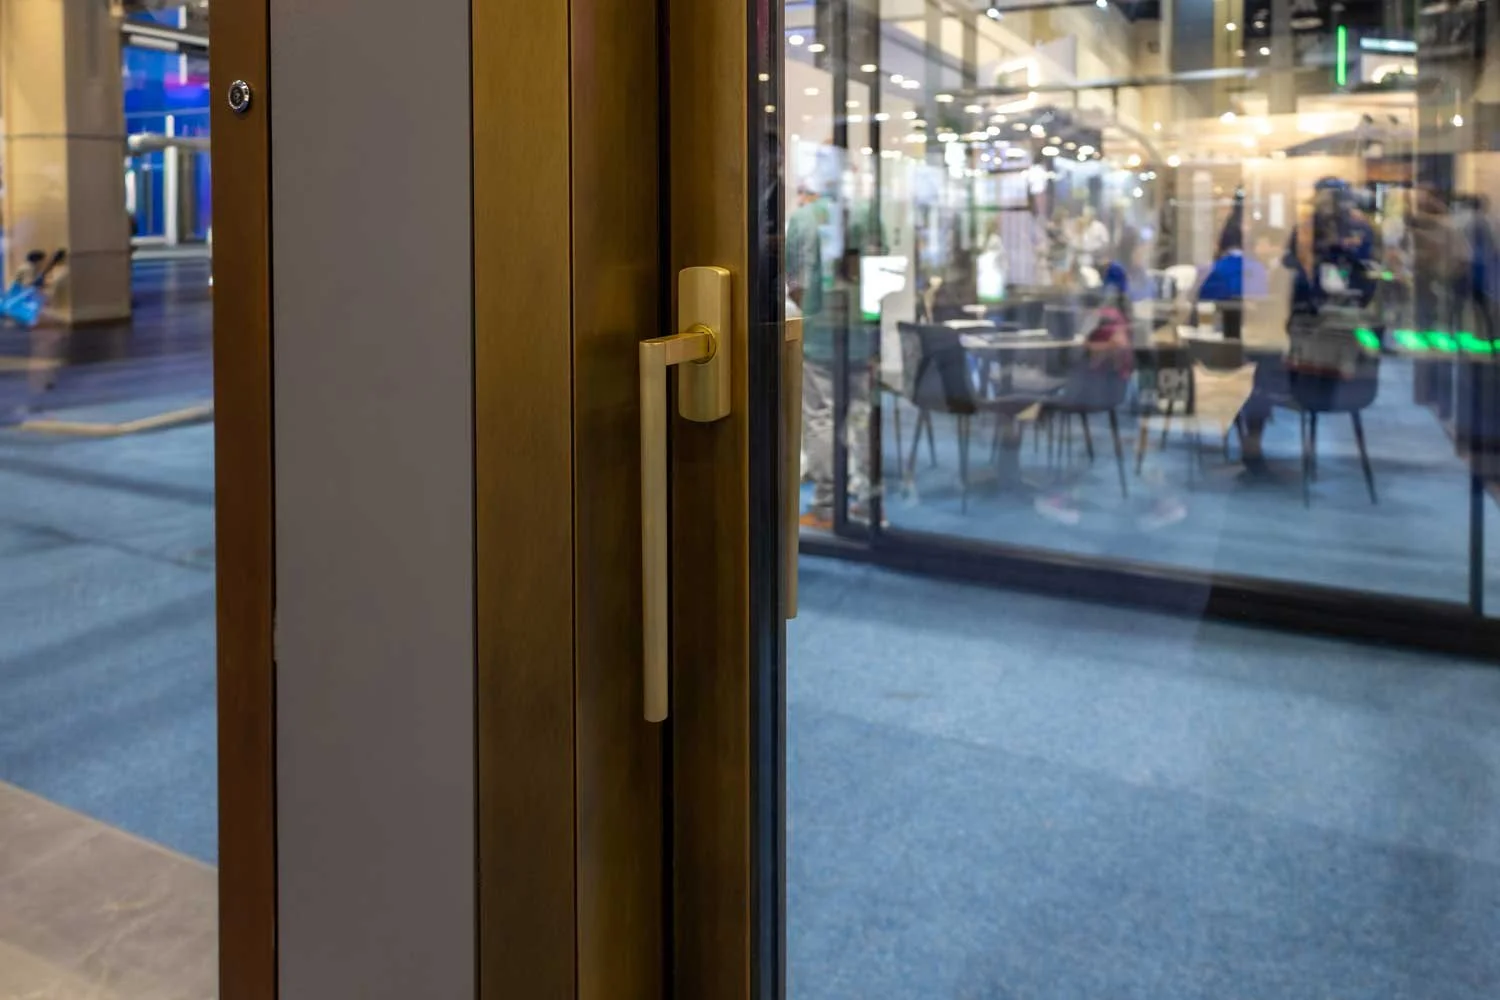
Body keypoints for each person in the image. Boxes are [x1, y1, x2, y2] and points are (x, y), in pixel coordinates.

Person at [1238, 176, 1375, 477]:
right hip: (1303, 327)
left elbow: (1366, 278)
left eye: (1333, 200)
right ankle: (1253, 440)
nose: (1328, 208)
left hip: (1337, 335)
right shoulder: (1304, 231)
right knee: (1263, 371)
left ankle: (1255, 437)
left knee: (1266, 373)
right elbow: (1290, 274)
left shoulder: (1358, 230)